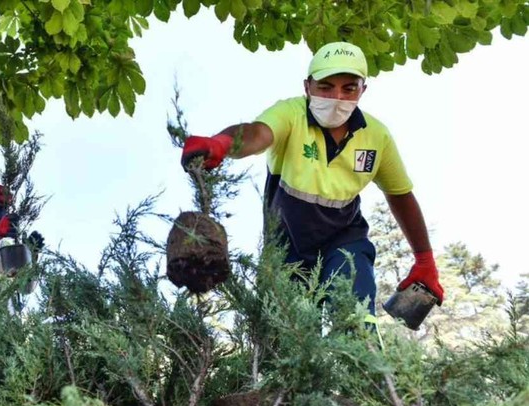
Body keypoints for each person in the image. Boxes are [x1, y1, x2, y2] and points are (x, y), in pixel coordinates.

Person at [180, 41, 444, 325]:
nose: (337, 98)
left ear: (363, 90)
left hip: (344, 241)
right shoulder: (290, 115)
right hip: (286, 251)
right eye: (326, 87)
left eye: (349, 88)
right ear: (307, 87)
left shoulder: (377, 137)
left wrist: (425, 260)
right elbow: (257, 134)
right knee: (289, 335)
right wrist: (222, 143)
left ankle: (363, 352)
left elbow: (400, 194)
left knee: (355, 321)